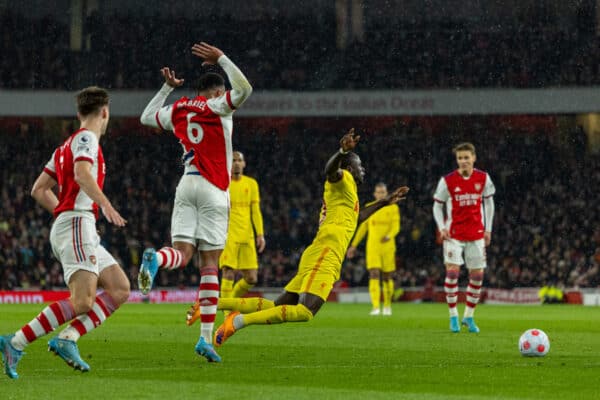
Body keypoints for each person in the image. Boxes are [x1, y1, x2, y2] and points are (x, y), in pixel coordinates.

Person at [208, 129, 409, 348]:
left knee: (278, 304)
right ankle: (237, 321)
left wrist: (385, 202)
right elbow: (330, 170)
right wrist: (341, 152)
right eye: (360, 165)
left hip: (320, 251)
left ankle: (210, 303)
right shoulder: (343, 179)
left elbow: (358, 217)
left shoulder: (349, 194)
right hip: (326, 251)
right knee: (305, 311)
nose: (364, 169)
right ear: (350, 167)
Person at [0, 87, 130, 379]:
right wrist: (103, 205)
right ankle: (15, 342)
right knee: (83, 301)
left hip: (75, 223)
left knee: (120, 288)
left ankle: (67, 338)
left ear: (78, 113)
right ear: (105, 112)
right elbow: (83, 174)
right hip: (76, 224)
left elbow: (38, 189)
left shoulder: (64, 146)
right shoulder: (87, 139)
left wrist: (66, 210)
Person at [138, 42, 252, 362]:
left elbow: (146, 117)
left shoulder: (180, 109)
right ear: (216, 92)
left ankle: (157, 260)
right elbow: (245, 89)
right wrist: (223, 58)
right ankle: (205, 340)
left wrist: (166, 88)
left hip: (185, 184)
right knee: (209, 265)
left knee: (183, 254)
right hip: (214, 187)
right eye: (222, 90)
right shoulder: (219, 106)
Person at [187, 151, 264, 326]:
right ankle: (228, 315)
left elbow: (255, 211)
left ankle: (230, 301)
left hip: (247, 236)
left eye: (239, 160)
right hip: (228, 234)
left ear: (244, 164)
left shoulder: (251, 184)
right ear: (228, 164)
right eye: (233, 160)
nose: (236, 163)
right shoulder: (223, 183)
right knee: (228, 272)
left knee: (252, 278)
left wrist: (260, 234)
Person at [432, 142, 495, 333]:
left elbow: (489, 204)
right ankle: (453, 317)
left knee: (477, 276)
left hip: (476, 234)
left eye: (467, 157)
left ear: (474, 158)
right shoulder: (447, 181)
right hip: (454, 235)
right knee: (452, 273)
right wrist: (442, 228)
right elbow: (437, 205)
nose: (463, 161)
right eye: (460, 158)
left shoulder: (483, 178)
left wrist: (488, 229)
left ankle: (468, 316)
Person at [346, 182, 401, 316]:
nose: (381, 194)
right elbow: (362, 228)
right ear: (375, 194)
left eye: (383, 192)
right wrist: (353, 245)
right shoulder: (369, 207)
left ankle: (387, 306)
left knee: (387, 277)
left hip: (388, 247)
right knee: (374, 274)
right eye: (379, 192)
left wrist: (389, 236)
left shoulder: (393, 208)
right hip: (373, 247)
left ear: (386, 193)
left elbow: (396, 226)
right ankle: (376, 307)